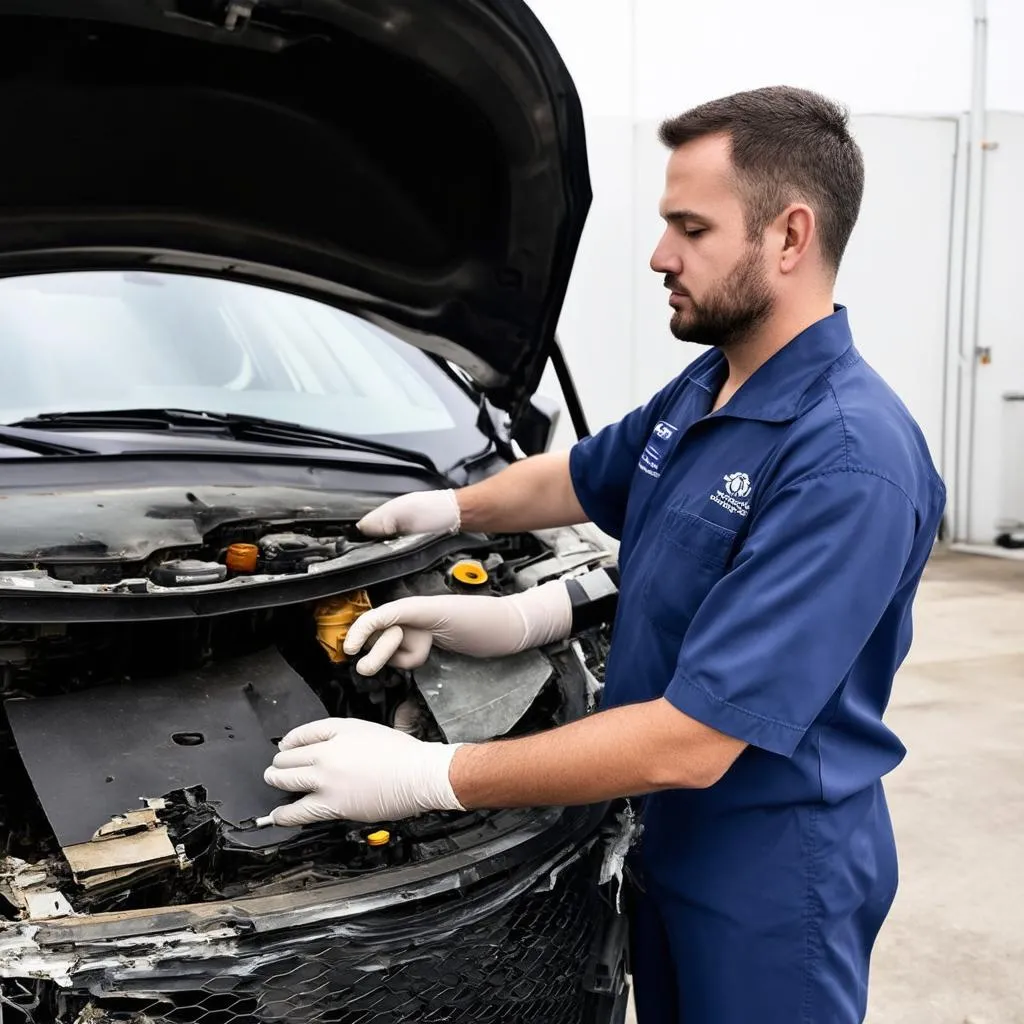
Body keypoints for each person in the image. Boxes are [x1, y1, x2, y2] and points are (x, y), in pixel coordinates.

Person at [262, 85, 946, 1023]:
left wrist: (431, 775)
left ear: (790, 238)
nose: (661, 256)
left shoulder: (849, 462)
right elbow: (576, 479)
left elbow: (695, 741)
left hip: (770, 884)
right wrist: (449, 512)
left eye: (691, 229)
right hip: (661, 837)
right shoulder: (714, 380)